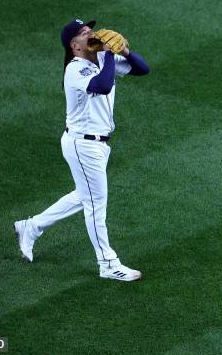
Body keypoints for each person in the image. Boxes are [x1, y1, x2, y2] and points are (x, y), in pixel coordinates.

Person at [14, 18, 150, 282]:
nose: (91, 33)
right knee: (96, 204)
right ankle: (107, 263)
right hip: (83, 144)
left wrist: (125, 52)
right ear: (75, 46)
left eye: (90, 30)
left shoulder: (101, 59)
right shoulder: (75, 69)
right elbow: (103, 86)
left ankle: (31, 227)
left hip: (98, 144)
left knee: (84, 195)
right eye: (84, 33)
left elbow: (142, 69)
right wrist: (109, 54)